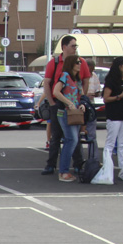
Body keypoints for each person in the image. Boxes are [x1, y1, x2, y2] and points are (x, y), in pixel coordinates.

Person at [40, 36, 90, 176]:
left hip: (74, 107)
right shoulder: (55, 63)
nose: (75, 48)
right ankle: (52, 165)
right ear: (64, 47)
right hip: (60, 106)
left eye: (76, 45)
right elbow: (49, 84)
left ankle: (77, 165)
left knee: (74, 137)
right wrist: (52, 102)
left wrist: (82, 101)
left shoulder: (81, 63)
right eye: (73, 45)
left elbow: (84, 82)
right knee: (58, 136)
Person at [52, 55, 83, 183]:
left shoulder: (77, 80)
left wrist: (81, 104)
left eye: (80, 62)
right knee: (71, 139)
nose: (80, 64)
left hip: (75, 112)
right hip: (65, 112)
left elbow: (80, 96)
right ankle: (63, 171)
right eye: (77, 62)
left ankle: (65, 170)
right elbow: (56, 91)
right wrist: (69, 102)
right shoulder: (65, 75)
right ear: (71, 64)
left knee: (73, 140)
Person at [102, 57, 123, 174]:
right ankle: (107, 166)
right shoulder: (111, 80)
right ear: (119, 66)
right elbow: (106, 98)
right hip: (114, 114)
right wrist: (120, 96)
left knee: (122, 143)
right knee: (111, 142)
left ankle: (122, 167)